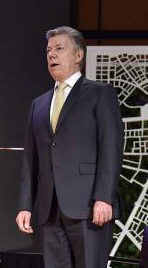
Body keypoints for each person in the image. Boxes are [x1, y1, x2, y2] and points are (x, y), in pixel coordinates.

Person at [16, 26, 124, 268]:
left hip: (89, 206)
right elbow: (30, 160)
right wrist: (25, 204)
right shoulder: (39, 104)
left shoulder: (99, 93)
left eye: (59, 48)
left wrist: (104, 197)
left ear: (79, 55)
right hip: (49, 207)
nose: (51, 54)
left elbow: (111, 148)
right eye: (48, 50)